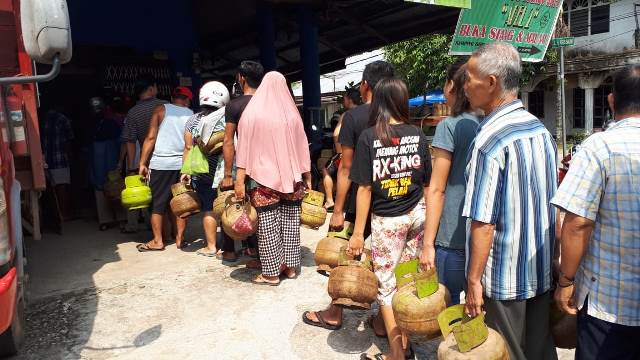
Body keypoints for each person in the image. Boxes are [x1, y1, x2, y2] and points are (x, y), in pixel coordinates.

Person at [462, 42, 557, 360]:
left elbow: (483, 221)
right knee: (540, 352)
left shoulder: (489, 139)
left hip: (503, 282)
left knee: (504, 354)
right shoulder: (540, 131)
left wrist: (474, 280)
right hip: (539, 271)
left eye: (469, 78)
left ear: (491, 83)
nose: (465, 86)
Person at [551, 65, 640, 360]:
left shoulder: (598, 147)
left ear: (612, 101)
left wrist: (566, 281)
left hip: (608, 304)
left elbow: (578, 224)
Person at [302, 60, 395, 336]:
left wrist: (338, 208)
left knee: (345, 253)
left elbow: (345, 167)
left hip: (358, 198)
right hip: (392, 199)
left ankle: (334, 313)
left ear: (365, 85)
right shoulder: (398, 115)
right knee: (388, 260)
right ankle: (382, 320)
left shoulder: (354, 117)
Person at [350, 78, 430, 360]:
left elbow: (363, 189)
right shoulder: (417, 135)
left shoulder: (369, 137)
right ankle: (405, 346)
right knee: (407, 281)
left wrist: (358, 233)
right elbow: (427, 183)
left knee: (386, 286)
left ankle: (397, 353)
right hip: (418, 215)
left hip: (388, 220)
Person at [233, 71, 311, 286]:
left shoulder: (252, 113)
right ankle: (290, 268)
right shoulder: (293, 115)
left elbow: (244, 150)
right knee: (290, 222)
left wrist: (239, 181)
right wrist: (308, 175)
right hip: (293, 178)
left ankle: (271, 273)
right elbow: (302, 147)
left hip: (263, 179)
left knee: (268, 225)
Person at [419, 59, 479, 304]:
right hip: (481, 235)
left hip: (452, 234)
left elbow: (436, 189)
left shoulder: (450, 127)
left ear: (450, 85)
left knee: (449, 303)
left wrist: (428, 244)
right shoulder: (487, 124)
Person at [137, 87, 194, 252]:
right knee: (181, 203)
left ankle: (158, 240)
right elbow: (191, 145)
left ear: (172, 97)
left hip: (161, 164)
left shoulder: (161, 110)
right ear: (188, 99)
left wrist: (142, 163)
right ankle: (179, 239)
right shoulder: (191, 115)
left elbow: (150, 137)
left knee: (158, 204)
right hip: (182, 165)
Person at [220, 61, 264, 265]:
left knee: (233, 204)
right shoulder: (268, 102)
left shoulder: (235, 105)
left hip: (244, 165)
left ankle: (229, 251)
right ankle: (257, 249)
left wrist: (228, 174)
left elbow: (228, 140)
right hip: (267, 165)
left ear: (241, 78)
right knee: (263, 208)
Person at [181, 81, 230, 257]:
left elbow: (188, 147)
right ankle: (227, 247)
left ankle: (211, 247)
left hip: (203, 172)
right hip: (226, 171)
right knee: (226, 206)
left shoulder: (193, 120)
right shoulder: (228, 117)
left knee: (208, 208)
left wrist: (185, 171)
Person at [120, 75, 167, 233]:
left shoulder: (132, 112)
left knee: (149, 195)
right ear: (151, 88)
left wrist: (133, 165)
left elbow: (130, 141)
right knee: (168, 196)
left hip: (147, 161)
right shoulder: (165, 106)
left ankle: (154, 230)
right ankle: (172, 232)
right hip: (169, 158)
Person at [88, 97, 124, 231]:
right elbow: (121, 141)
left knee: (106, 187)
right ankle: (116, 219)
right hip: (107, 158)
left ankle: (109, 219)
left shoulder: (105, 123)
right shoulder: (107, 123)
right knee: (113, 186)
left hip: (103, 159)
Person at [322, 87, 361, 210]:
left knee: (326, 170)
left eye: (344, 99)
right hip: (361, 156)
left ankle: (329, 200)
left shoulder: (346, 115)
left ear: (349, 100)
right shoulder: (365, 112)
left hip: (345, 155)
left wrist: (339, 152)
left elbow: (336, 134)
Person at [42, 107, 74, 221]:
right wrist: (70, 156)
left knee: (51, 188)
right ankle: (63, 214)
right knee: (62, 186)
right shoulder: (63, 119)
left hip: (45, 159)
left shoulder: (42, 119)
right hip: (60, 158)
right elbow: (69, 140)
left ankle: (56, 215)